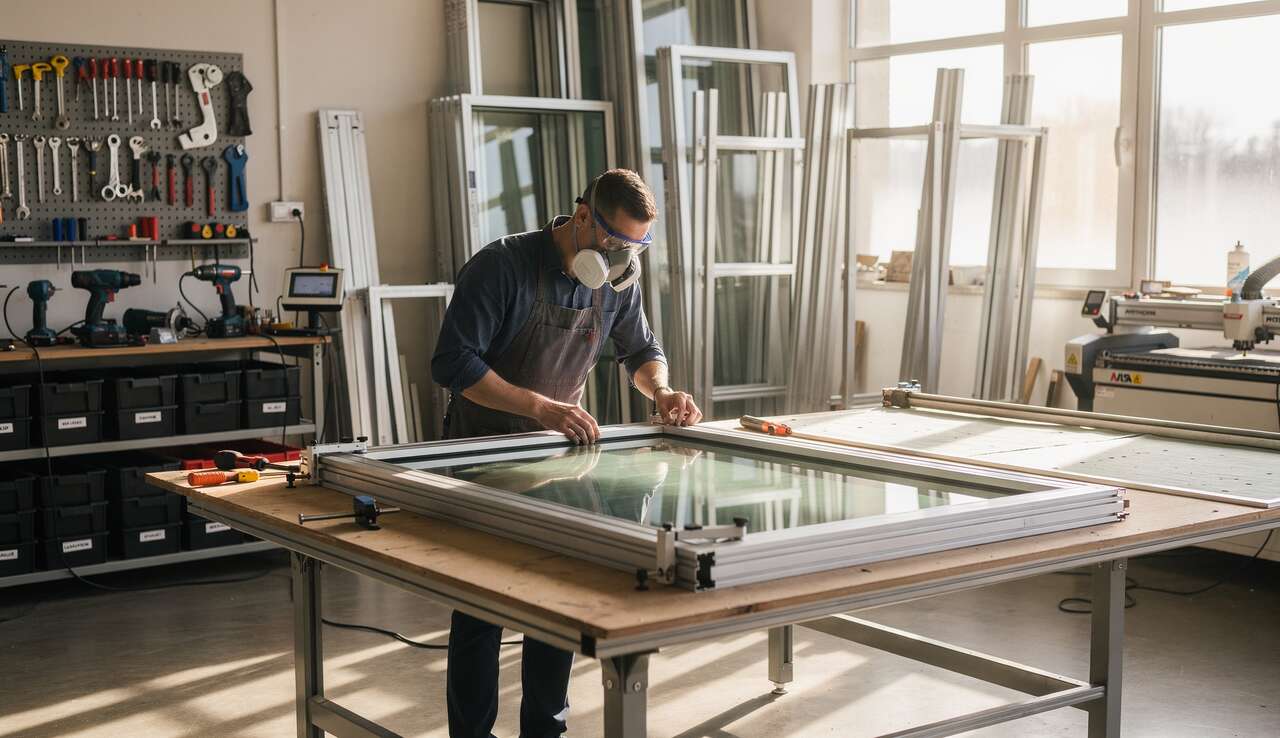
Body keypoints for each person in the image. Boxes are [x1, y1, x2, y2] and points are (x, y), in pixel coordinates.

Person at [431, 167, 702, 738]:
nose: (622, 257)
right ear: (582, 217)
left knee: (555, 607)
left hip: (560, 463)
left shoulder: (614, 283)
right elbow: (454, 364)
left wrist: (662, 389)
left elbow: (642, 350)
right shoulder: (500, 266)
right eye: (614, 242)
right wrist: (542, 408)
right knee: (480, 608)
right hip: (484, 458)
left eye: (636, 247)